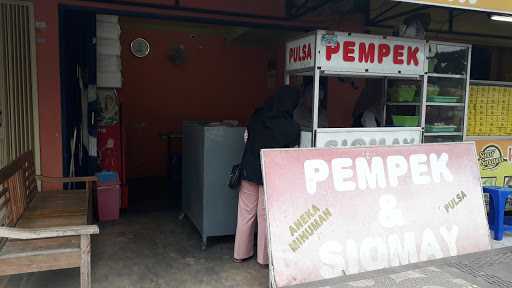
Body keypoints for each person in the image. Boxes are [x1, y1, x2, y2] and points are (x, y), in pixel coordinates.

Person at [233, 86, 301, 265]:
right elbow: (291, 154)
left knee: (245, 212)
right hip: (269, 175)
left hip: (249, 170)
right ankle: (263, 259)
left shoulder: (257, 115)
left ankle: (240, 253)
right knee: (264, 215)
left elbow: (246, 139)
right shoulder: (292, 127)